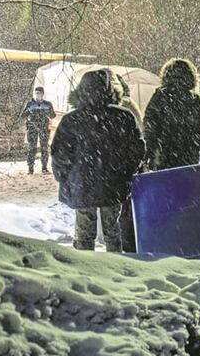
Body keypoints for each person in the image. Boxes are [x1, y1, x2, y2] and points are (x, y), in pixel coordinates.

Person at [50, 69, 145, 252]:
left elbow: (60, 154)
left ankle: (85, 271)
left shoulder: (72, 120)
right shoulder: (123, 117)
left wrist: (64, 177)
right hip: (114, 183)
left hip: (81, 183)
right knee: (113, 232)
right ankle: (115, 269)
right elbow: (137, 149)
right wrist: (126, 171)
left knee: (84, 234)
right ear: (111, 89)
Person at [143, 58, 200, 171]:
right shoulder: (199, 102)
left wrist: (149, 158)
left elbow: (150, 132)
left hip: (163, 160)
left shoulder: (159, 99)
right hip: (190, 161)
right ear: (192, 77)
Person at [21, 86, 56, 174]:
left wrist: (46, 111)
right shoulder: (30, 104)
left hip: (44, 127)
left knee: (44, 147)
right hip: (32, 127)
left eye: (40, 93)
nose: (38, 95)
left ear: (43, 94)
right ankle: (30, 168)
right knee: (31, 147)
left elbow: (53, 115)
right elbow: (23, 115)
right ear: (34, 94)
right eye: (37, 93)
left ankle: (44, 167)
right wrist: (29, 110)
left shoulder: (48, 104)